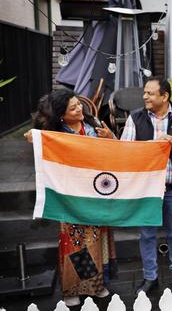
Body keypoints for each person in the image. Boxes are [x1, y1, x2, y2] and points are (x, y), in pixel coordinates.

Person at [25, 88, 117, 307]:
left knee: (96, 240)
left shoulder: (93, 125)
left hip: (96, 193)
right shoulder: (56, 134)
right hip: (69, 196)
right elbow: (37, 142)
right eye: (73, 107)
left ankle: (95, 285)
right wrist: (35, 137)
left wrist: (111, 137)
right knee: (77, 244)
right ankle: (73, 288)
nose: (80, 109)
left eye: (79, 104)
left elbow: (115, 152)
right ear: (61, 116)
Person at [120, 76, 172, 297]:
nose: (145, 96)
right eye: (145, 92)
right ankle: (150, 277)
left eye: (150, 93)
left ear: (164, 97)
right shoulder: (134, 118)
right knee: (146, 234)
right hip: (146, 191)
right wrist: (153, 145)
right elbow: (124, 154)